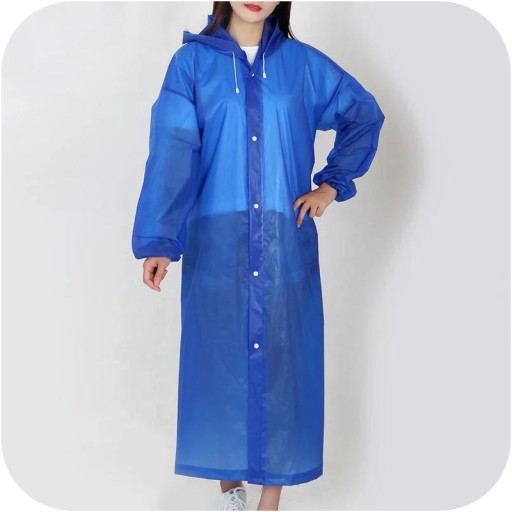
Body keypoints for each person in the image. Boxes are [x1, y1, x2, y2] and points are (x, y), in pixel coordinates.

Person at [131, 1, 385, 510]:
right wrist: (160, 239)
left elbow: (363, 113)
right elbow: (173, 149)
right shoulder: (191, 65)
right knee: (217, 362)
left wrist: (331, 185)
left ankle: (270, 502)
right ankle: (232, 495)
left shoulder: (303, 65)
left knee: (283, 364)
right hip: (216, 242)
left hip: (282, 242)